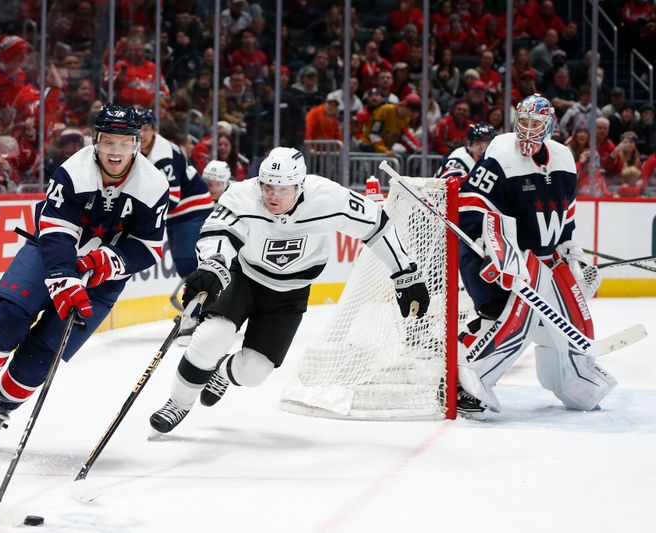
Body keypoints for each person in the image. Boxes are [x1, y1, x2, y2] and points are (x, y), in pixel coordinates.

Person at [0, 104, 169, 448]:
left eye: (123, 142)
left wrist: (110, 260)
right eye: (108, 142)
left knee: (43, 354)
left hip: (101, 281)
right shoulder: (74, 171)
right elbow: (56, 231)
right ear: (96, 141)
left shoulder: (153, 184)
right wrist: (64, 278)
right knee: (8, 317)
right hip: (48, 256)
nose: (115, 151)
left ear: (136, 144)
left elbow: (148, 246)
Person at [148, 147, 430, 434]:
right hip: (244, 276)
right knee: (212, 336)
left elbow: (377, 225)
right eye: (268, 186)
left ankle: (221, 372)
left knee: (253, 372)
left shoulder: (328, 197)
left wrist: (405, 273)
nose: (273, 196)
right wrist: (213, 263)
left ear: (300, 185)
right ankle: (178, 403)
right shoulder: (243, 195)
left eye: (283, 189)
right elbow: (218, 230)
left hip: (290, 292)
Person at [456, 94, 615, 420]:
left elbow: (565, 223)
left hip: (539, 265)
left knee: (569, 322)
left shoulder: (563, 158)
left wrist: (575, 257)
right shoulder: (500, 152)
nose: (527, 131)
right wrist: (491, 250)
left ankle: (577, 382)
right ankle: (467, 382)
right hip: (488, 257)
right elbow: (471, 207)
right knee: (516, 318)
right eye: (523, 122)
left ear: (550, 126)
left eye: (536, 124)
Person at [138, 108, 213, 280]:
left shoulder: (162, 158)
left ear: (154, 129)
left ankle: (203, 305)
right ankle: (201, 303)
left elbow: (172, 198)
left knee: (187, 264)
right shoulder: (143, 150)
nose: (141, 134)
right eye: (137, 129)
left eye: (146, 128)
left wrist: (143, 215)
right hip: (178, 213)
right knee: (184, 266)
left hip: (193, 210)